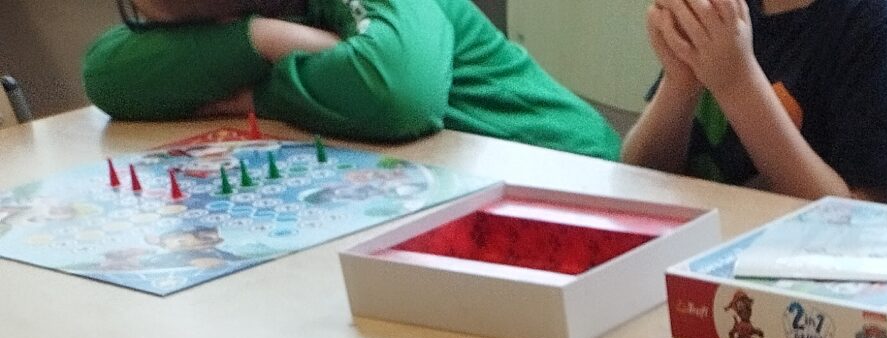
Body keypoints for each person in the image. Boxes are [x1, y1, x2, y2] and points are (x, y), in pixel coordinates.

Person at [83, 0, 621, 161]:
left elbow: (397, 94)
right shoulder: (257, 22)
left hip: (570, 171)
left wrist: (254, 97)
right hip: (455, 188)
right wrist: (266, 38)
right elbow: (107, 74)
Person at [622, 0, 887, 204]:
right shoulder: (727, 11)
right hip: (695, 250)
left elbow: (860, 225)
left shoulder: (878, 29)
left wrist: (737, 84)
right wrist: (678, 83)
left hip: (802, 275)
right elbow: (638, 176)